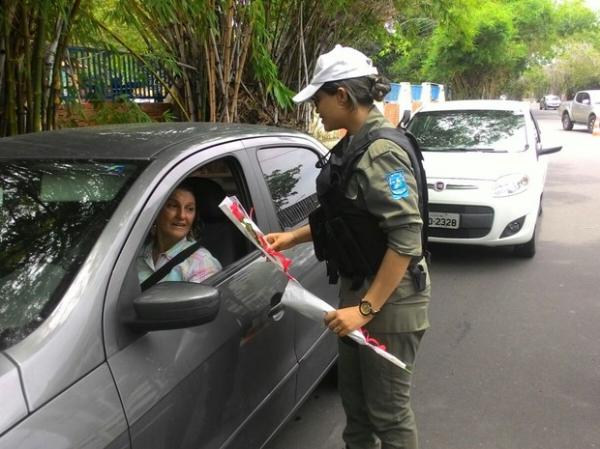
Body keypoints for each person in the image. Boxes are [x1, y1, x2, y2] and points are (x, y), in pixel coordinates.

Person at [265, 45, 431, 449]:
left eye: (318, 98)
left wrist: (365, 309)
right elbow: (347, 218)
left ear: (342, 95)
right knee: (357, 411)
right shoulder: (355, 144)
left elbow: (406, 241)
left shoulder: (381, 152)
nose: (316, 109)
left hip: (389, 303)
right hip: (361, 294)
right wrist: (292, 236)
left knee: (388, 417)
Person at [137, 179, 222, 284]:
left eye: (190, 209)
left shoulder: (200, 262)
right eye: (173, 206)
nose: (181, 215)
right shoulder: (137, 253)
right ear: (156, 211)